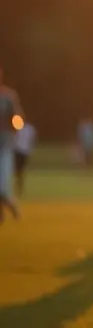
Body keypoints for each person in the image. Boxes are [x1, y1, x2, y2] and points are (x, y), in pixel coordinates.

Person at [0, 67, 24, 223]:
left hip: (4, 144)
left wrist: (16, 124)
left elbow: (18, 118)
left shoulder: (8, 96)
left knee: (2, 185)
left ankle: (12, 206)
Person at [14, 117, 36, 197]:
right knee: (18, 171)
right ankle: (18, 185)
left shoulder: (30, 129)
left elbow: (32, 140)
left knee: (21, 171)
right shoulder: (17, 128)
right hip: (18, 151)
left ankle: (19, 185)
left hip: (25, 152)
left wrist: (31, 149)